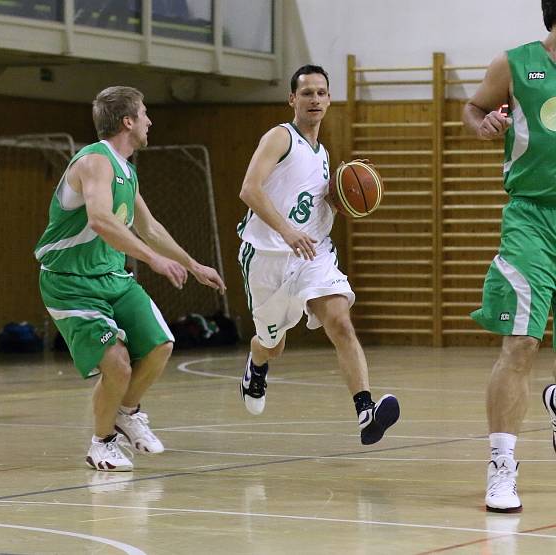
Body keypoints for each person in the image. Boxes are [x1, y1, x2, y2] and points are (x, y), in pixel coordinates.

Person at [35, 86, 225, 472]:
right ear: (128, 121)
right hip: (70, 281)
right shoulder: (95, 162)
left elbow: (150, 228)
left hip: (111, 277)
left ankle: (127, 411)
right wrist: (153, 261)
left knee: (160, 344)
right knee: (118, 365)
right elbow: (100, 220)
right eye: (144, 114)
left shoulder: (127, 170)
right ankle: (101, 443)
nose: (149, 121)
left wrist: (192, 264)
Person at [236, 65, 400, 445]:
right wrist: (286, 230)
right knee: (272, 345)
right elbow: (249, 189)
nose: (315, 99)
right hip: (267, 256)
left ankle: (365, 410)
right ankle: (256, 364)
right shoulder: (280, 137)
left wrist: (337, 199)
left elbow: (307, 198)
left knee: (340, 321)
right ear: (293, 99)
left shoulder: (324, 153)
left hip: (312, 253)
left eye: (321, 93)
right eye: (306, 92)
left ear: (329, 100)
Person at [463, 0, 556, 513]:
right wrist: (481, 125)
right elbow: (473, 109)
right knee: (521, 343)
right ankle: (502, 466)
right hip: (532, 218)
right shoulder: (515, 64)